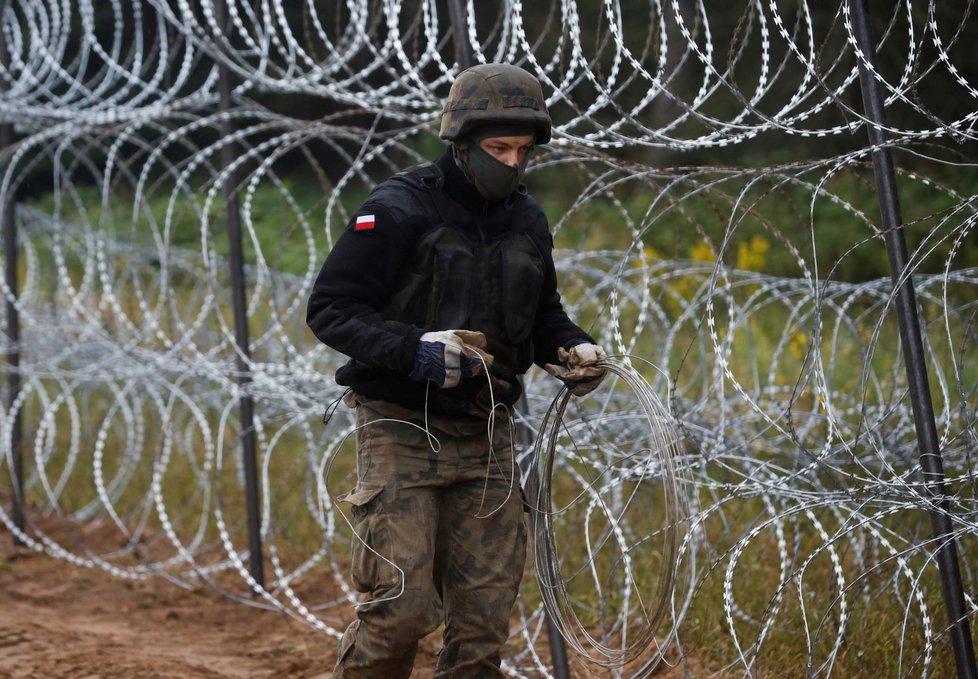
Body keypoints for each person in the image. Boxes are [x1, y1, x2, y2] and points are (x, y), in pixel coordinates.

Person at [306, 62, 607, 678]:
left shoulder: (526, 219)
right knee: (400, 611)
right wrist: (414, 348)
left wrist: (572, 348)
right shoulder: (398, 209)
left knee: (482, 624)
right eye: (498, 148)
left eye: (523, 150)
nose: (513, 163)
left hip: (489, 433)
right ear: (462, 143)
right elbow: (332, 309)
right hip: (400, 430)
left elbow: (543, 313)